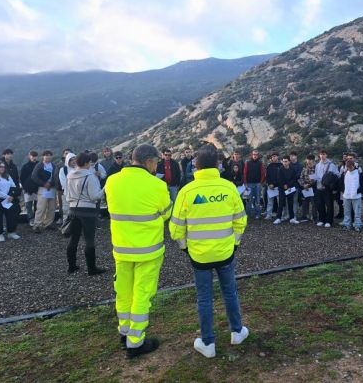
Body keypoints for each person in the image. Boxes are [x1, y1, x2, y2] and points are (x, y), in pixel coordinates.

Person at [169, 143, 249, 359]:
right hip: (225, 252)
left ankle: (208, 343)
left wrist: (186, 248)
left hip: (199, 255)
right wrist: (234, 244)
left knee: (204, 298)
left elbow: (176, 228)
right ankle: (237, 331)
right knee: (230, 292)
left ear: (196, 165)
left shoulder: (187, 191)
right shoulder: (228, 188)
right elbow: (241, 221)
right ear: (217, 164)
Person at [105, 145, 171, 358]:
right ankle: (136, 342)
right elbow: (166, 214)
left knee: (123, 293)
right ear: (150, 162)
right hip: (148, 252)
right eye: (157, 162)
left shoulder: (112, 181)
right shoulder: (157, 185)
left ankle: (124, 334)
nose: (157, 166)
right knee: (142, 295)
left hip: (121, 250)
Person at [65, 152, 106, 275]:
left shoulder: (69, 175)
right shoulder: (90, 176)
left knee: (74, 238)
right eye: (90, 163)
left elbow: (67, 196)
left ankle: (72, 266)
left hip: (73, 209)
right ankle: (91, 269)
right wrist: (105, 189)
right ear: (87, 163)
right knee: (89, 240)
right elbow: (94, 197)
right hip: (88, 211)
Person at [0, 161, 20, 242]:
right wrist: (7, 196)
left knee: (11, 216)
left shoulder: (8, 176)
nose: (2, 168)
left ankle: (11, 232)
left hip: (9, 200)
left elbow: (13, 186)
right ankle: (0, 234)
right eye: (0, 167)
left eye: (3, 167)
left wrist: (11, 196)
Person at [31, 150, 59, 233]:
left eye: (50, 155)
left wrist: (51, 183)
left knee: (52, 207)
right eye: (46, 155)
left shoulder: (54, 165)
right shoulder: (39, 165)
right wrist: (43, 184)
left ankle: (48, 223)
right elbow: (34, 176)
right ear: (43, 156)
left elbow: (56, 176)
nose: (48, 156)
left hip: (52, 188)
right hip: (43, 188)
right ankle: (37, 225)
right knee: (41, 207)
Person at [314, 149, 340, 228]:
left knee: (329, 205)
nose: (322, 156)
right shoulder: (317, 165)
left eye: (324, 154)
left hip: (327, 188)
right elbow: (316, 175)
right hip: (319, 187)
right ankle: (322, 219)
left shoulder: (331, 165)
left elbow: (337, 175)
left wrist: (331, 182)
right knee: (320, 205)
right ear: (319, 155)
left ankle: (329, 221)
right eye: (321, 154)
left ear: (326, 155)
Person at [340, 160, 363, 232]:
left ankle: (357, 225)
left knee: (357, 211)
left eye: (350, 167)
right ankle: (347, 224)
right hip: (346, 195)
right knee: (346, 211)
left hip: (356, 196)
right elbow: (341, 183)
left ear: (354, 166)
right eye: (348, 167)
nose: (349, 169)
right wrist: (344, 191)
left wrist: (358, 191)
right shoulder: (345, 173)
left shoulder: (359, 173)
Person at [273, 155, 299, 224]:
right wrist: (284, 185)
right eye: (283, 161)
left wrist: (289, 185)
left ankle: (292, 218)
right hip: (282, 189)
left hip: (290, 189)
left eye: (286, 161)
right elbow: (279, 179)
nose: (284, 163)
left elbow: (294, 179)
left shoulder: (292, 169)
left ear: (289, 162)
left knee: (291, 203)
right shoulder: (280, 169)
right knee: (281, 204)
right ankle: (278, 218)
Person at [243, 150, 266, 219]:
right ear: (251, 155)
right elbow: (244, 173)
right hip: (249, 184)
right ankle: (247, 214)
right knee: (248, 200)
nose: (255, 155)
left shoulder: (260, 163)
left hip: (257, 184)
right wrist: (245, 183)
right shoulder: (247, 163)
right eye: (253, 154)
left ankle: (257, 214)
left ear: (258, 155)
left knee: (257, 200)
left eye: (256, 154)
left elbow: (263, 173)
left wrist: (261, 183)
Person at [20, 151, 39, 226]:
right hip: (27, 190)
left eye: (35, 156)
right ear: (29, 156)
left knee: (38, 205)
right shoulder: (25, 166)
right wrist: (25, 188)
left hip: (37, 189)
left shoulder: (39, 165)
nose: (34, 157)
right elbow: (22, 178)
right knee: (28, 205)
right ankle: (31, 219)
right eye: (32, 156)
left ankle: (37, 219)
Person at [298, 154, 318, 222]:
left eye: (310, 160)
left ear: (313, 161)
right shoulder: (304, 168)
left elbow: (316, 179)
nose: (309, 161)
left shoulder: (316, 168)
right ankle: (305, 216)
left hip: (313, 188)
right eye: (308, 160)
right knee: (304, 203)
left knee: (314, 203)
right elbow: (300, 178)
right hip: (305, 189)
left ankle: (314, 217)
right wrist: (304, 185)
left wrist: (309, 185)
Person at [59, 153, 77, 217]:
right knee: (66, 212)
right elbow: (63, 183)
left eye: (75, 159)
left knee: (77, 212)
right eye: (71, 160)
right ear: (67, 161)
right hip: (67, 195)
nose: (73, 161)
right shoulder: (63, 170)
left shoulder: (79, 169)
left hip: (78, 195)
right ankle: (66, 226)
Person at [264, 153, 281, 219]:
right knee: (270, 202)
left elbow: (281, 177)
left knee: (279, 202)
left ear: (277, 157)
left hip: (278, 187)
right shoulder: (269, 166)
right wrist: (269, 184)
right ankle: (269, 215)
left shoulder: (281, 165)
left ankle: (280, 215)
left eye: (275, 156)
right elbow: (267, 176)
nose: (273, 158)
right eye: (272, 156)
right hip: (270, 187)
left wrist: (275, 184)